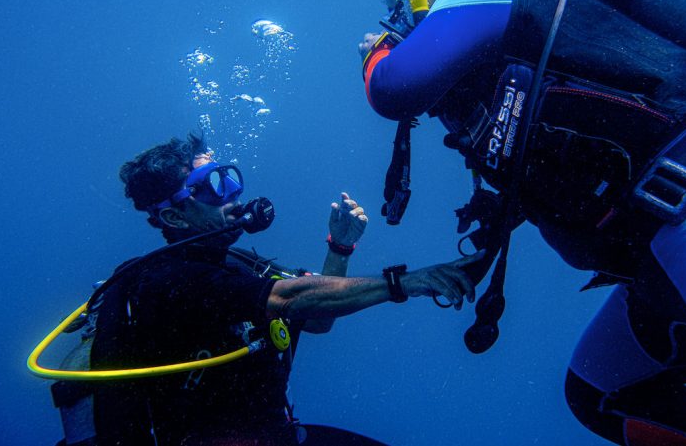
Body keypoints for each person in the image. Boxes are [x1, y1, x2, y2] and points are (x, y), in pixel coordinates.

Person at [359, 0, 686, 444]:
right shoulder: (503, 39)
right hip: (660, 259)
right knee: (599, 394)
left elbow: (395, 86)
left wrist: (376, 51)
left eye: (398, 1)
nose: (399, 19)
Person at [46, 133, 480, 446]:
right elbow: (288, 298)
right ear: (174, 217)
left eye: (228, 179)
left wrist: (340, 247)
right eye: (211, 188)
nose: (232, 195)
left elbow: (316, 318)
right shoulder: (165, 281)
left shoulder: (237, 263)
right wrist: (406, 282)